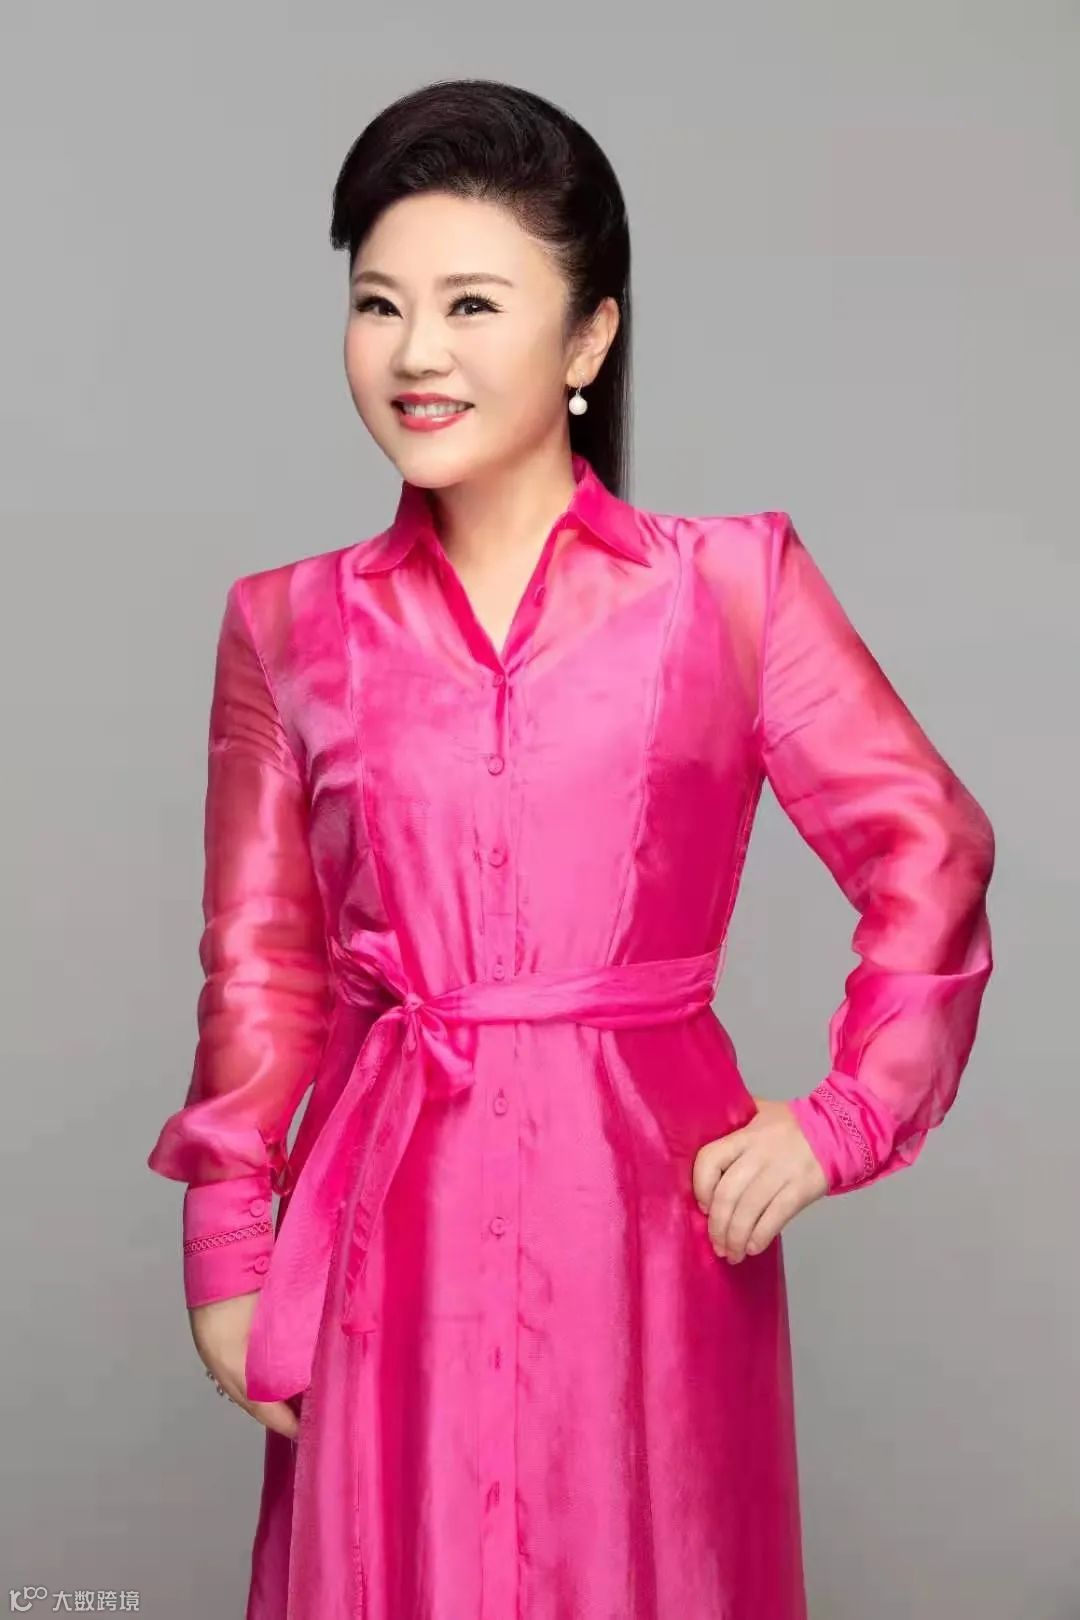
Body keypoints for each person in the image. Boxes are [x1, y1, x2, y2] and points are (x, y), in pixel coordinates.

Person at [147, 76, 996, 1620]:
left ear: (590, 337)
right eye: (380, 304)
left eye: (473, 303)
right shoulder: (284, 624)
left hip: (648, 1230)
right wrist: (226, 1241)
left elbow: (925, 845)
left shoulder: (728, 591)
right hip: (381, 1231)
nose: (417, 352)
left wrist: (844, 1120)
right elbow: (261, 964)